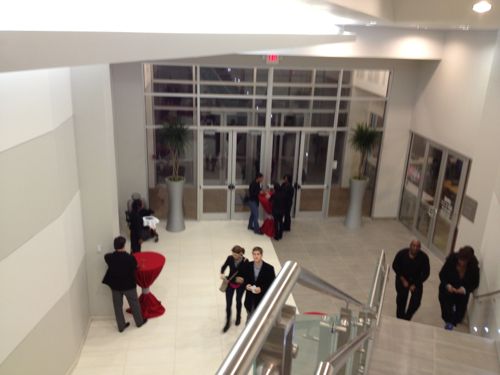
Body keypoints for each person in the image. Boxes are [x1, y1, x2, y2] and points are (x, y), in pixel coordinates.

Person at [102, 236, 147, 332]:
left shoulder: (109, 258)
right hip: (128, 285)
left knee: (117, 306)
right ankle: (139, 322)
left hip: (115, 286)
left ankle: (121, 326)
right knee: (134, 303)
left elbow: (106, 256)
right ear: (123, 246)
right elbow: (136, 267)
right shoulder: (130, 258)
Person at [438, 246, 480, 330]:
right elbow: (442, 275)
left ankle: (451, 324)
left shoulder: (474, 268)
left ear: (469, 260)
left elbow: (475, 283)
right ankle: (448, 324)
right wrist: (447, 285)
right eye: (460, 260)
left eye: (464, 261)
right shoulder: (451, 260)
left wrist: (464, 289)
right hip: (447, 289)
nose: (462, 263)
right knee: (446, 309)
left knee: (459, 313)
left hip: (462, 293)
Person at [392, 239, 430, 321]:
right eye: (414, 246)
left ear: (420, 248)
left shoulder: (424, 257)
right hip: (402, 278)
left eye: (418, 246)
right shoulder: (401, 254)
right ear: (410, 246)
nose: (415, 248)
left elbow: (426, 273)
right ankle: (399, 318)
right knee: (402, 298)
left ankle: (407, 317)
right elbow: (395, 266)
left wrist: (415, 284)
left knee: (416, 302)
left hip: (416, 280)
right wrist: (403, 280)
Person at [220, 245, 248, 333]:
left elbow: (248, 274)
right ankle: (228, 322)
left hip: (240, 285)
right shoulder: (230, 258)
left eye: (235, 255)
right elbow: (223, 266)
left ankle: (238, 317)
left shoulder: (246, 261)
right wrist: (222, 273)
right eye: (233, 254)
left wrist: (243, 279)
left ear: (241, 254)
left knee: (238, 301)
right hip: (230, 283)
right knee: (228, 304)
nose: (234, 256)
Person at [244, 247, 276, 320]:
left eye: (258, 254)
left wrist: (261, 288)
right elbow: (244, 279)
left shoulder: (269, 268)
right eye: (254, 254)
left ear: (261, 255)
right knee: (250, 318)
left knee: (259, 319)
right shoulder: (248, 265)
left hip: (262, 299)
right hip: (250, 300)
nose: (256, 256)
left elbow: (272, 284)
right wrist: (246, 285)